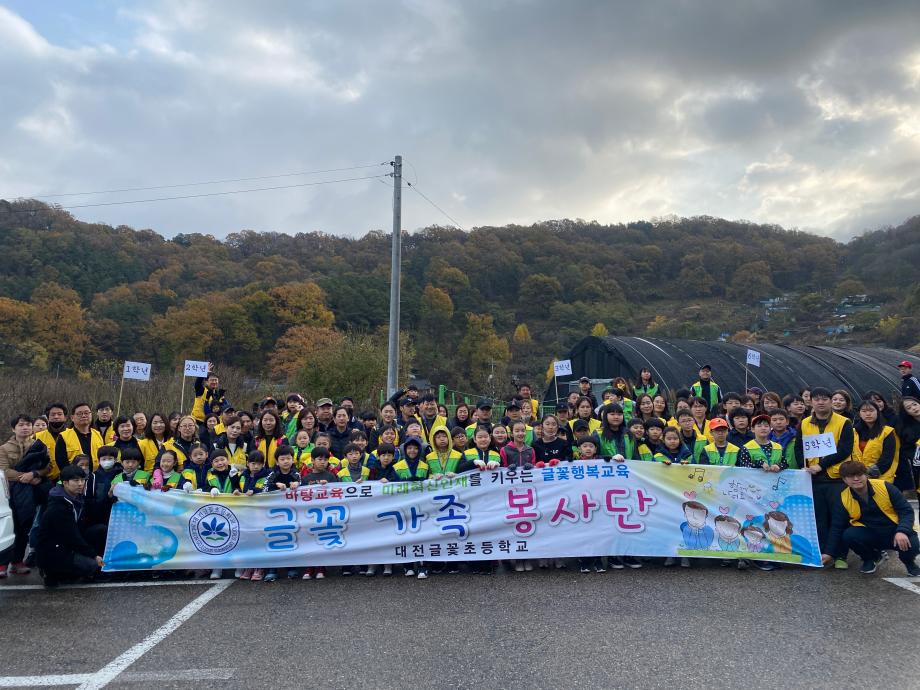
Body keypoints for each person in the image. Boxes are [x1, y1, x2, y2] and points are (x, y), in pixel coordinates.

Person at [823, 460, 920, 576]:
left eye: (859, 475)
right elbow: (837, 526)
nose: (856, 479)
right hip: (871, 533)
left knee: (913, 544)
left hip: (895, 531)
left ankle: (909, 563)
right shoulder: (843, 497)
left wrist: (902, 531)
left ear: (866, 475)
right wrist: (829, 553)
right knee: (849, 535)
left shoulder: (885, 487)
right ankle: (871, 558)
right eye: (850, 476)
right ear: (844, 480)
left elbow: (906, 511)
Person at [794, 387, 854, 568]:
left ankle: (841, 555)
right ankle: (823, 553)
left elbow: (845, 449)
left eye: (824, 399)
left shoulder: (844, 422)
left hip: (836, 478)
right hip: (813, 478)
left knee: (839, 517)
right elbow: (799, 448)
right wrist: (803, 467)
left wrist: (822, 465)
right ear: (810, 402)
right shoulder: (804, 423)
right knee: (819, 517)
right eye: (816, 399)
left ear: (830, 401)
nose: (821, 402)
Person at [35, 465, 104, 587]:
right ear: (65, 483)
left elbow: (93, 516)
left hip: (67, 544)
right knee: (92, 566)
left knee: (99, 530)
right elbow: (71, 536)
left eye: (82, 480)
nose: (80, 484)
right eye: (76, 480)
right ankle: (51, 572)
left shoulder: (77, 498)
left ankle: (72, 569)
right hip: (54, 550)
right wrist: (93, 555)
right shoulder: (58, 506)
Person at [0, 414, 38, 577]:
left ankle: (17, 562)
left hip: (31, 493)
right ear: (13, 428)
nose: (25, 427)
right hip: (10, 493)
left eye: (28, 424)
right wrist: (26, 477)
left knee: (23, 528)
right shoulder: (4, 448)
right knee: (9, 527)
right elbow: (4, 471)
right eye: (21, 425)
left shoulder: (37, 445)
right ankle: (2, 563)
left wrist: (36, 474)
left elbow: (46, 465)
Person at [852, 400, 898, 482]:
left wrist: (866, 473)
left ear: (878, 412)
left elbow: (887, 459)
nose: (868, 414)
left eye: (871, 410)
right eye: (864, 411)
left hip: (881, 476)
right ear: (859, 414)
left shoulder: (887, 432)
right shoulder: (854, 432)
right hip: (856, 476)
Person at [55, 402, 104, 472]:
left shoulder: (98, 434)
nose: (84, 416)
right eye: (79, 414)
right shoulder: (64, 436)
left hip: (96, 477)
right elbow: (61, 462)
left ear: (91, 415)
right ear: (72, 418)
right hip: (74, 478)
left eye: (86, 413)